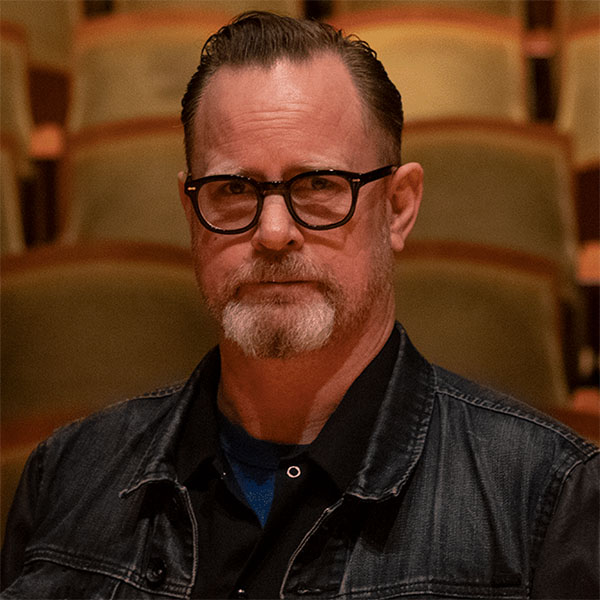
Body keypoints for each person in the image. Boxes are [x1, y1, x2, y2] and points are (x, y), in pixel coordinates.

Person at [1, 11, 598, 600]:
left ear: (397, 206)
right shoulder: (65, 475)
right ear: (191, 215)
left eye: (318, 185)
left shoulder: (549, 497)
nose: (274, 231)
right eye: (233, 190)